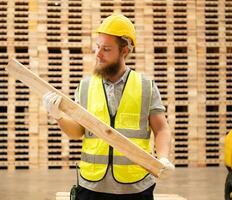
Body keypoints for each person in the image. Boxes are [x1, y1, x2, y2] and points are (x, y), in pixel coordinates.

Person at [43, 13, 175, 200]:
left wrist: (162, 158)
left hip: (135, 188)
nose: (98, 53)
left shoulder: (146, 86)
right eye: (97, 46)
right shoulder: (85, 86)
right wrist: (58, 116)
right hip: (91, 186)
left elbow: (161, 129)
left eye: (106, 49)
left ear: (124, 51)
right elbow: (78, 132)